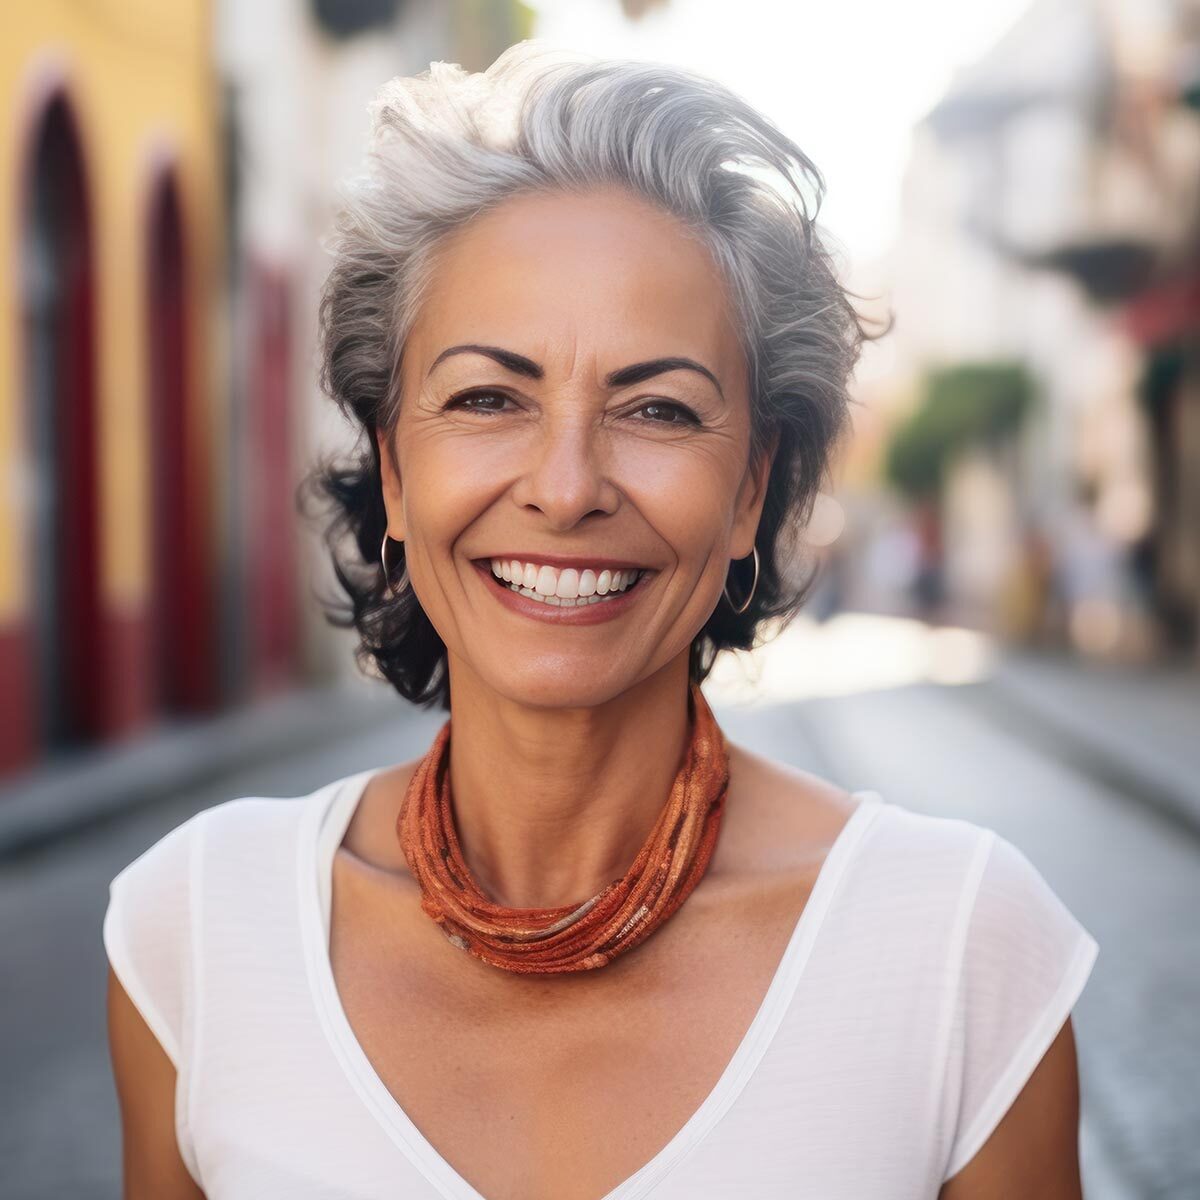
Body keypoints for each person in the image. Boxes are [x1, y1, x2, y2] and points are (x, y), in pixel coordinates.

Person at [103, 41, 1099, 1200]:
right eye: (488, 397)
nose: (567, 486)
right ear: (391, 465)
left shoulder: (958, 946)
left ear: (747, 492)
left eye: (658, 408)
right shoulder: (196, 932)